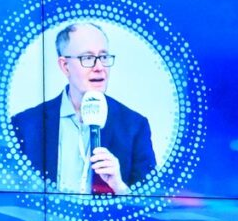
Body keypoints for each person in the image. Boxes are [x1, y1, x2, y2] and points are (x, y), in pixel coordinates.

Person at [8, 22, 157, 194]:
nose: (99, 67)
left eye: (103, 57)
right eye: (87, 58)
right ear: (65, 66)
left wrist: (120, 187)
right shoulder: (25, 125)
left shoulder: (134, 126)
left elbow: (151, 202)